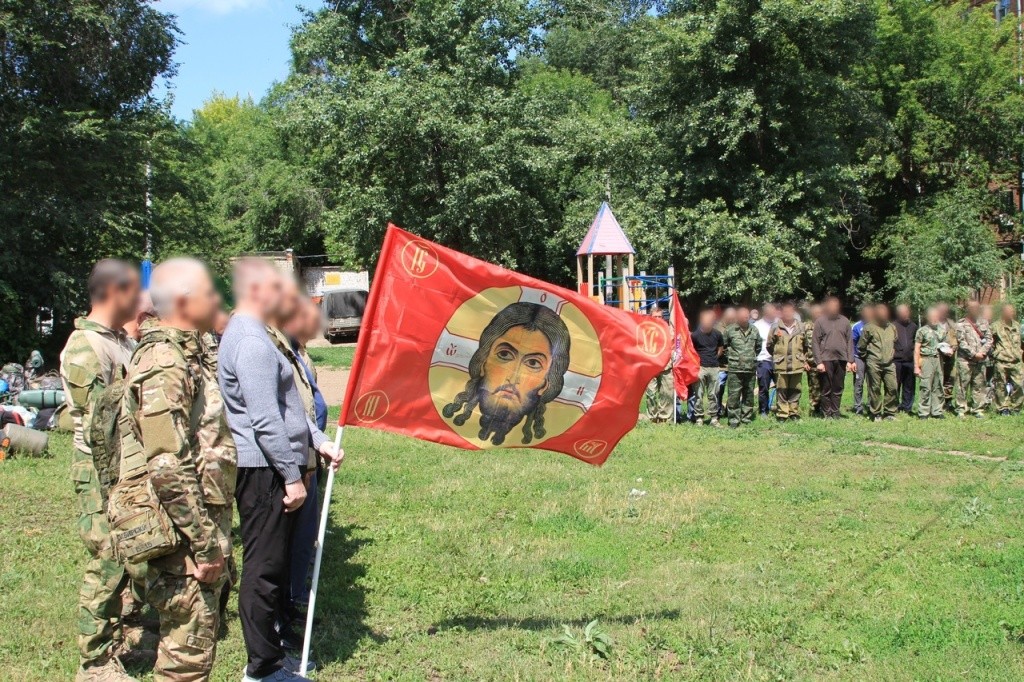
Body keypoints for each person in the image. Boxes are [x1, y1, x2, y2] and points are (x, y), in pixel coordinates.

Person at [218, 259, 342, 682]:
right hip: (264, 470)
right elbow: (266, 420)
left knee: (272, 566)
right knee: (264, 571)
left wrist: (318, 440)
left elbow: (290, 409)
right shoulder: (250, 341)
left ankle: (269, 658)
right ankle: (262, 668)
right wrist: (291, 476)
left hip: (274, 465)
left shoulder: (260, 336)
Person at [122, 258, 236, 682]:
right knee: (184, 658)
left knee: (195, 648)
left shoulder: (186, 355)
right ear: (186, 301)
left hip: (196, 529)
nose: (218, 301)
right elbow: (166, 465)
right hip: (182, 541)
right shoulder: (165, 362)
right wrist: (204, 546)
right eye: (210, 293)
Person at [60, 259, 148, 682]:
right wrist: (116, 486)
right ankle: (93, 663)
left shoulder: (118, 342)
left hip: (127, 465)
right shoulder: (84, 348)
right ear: (115, 292)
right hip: (101, 469)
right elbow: (100, 428)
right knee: (108, 557)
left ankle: (119, 635)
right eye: (134, 290)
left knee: (129, 552)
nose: (139, 299)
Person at [282, 297, 331, 618]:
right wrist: (304, 465)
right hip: (298, 460)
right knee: (293, 539)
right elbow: (289, 415)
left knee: (304, 533)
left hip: (310, 455)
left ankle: (295, 593)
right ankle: (289, 600)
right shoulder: (281, 353)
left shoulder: (298, 353)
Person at [813, 296, 856, 419]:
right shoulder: (820, 321)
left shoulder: (845, 321)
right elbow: (815, 342)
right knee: (826, 388)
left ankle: (835, 412)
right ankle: (827, 413)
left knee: (838, 387)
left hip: (841, 359)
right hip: (826, 359)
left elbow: (849, 342)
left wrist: (850, 360)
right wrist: (819, 362)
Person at [766, 302, 806, 421]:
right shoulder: (775, 327)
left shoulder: (801, 327)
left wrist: (799, 357)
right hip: (781, 364)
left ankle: (793, 413)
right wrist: (779, 355)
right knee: (781, 390)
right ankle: (782, 414)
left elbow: (806, 346)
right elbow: (770, 346)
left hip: (796, 364)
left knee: (795, 390)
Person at [721, 307, 761, 427]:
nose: (746, 317)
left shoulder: (754, 330)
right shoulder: (730, 330)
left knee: (749, 394)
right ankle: (733, 419)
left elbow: (758, 347)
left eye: (747, 315)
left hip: (750, 368)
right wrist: (733, 358)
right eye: (743, 315)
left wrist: (750, 357)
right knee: (734, 395)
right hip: (735, 368)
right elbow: (723, 347)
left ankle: (746, 417)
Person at [858, 303, 898, 421]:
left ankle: (889, 412)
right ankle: (875, 413)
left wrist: (891, 354)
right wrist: (869, 358)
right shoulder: (869, 327)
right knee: (875, 388)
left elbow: (894, 341)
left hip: (889, 363)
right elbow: (861, 346)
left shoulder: (892, 327)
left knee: (892, 387)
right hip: (874, 362)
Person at [954, 300, 993, 418]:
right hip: (965, 360)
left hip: (980, 360)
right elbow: (961, 342)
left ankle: (977, 408)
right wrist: (974, 354)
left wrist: (982, 352)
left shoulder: (984, 323)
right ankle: (961, 409)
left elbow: (989, 339)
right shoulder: (960, 324)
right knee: (962, 385)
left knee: (979, 385)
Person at [689, 309, 724, 426]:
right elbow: (691, 350)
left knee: (713, 394)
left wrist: (714, 357)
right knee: (698, 394)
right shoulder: (695, 335)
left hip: (714, 367)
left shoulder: (718, 334)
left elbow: (720, 349)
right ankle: (699, 417)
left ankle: (714, 417)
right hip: (700, 368)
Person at [990, 303, 1023, 415]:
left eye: (1012, 311)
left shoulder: (1018, 326)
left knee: (1019, 385)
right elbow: (989, 342)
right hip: (1001, 361)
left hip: (1016, 362)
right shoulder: (995, 326)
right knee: (1000, 386)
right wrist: (995, 353)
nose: (1011, 313)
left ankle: (1016, 408)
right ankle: (1003, 408)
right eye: (1009, 311)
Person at [914, 307, 946, 419]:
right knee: (925, 386)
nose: (934, 318)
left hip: (938, 359)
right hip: (926, 359)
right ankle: (923, 412)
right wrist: (916, 367)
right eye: (932, 316)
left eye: (936, 316)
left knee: (938, 386)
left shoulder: (942, 330)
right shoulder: (921, 331)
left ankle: (937, 411)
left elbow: (945, 345)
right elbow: (917, 349)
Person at [893, 304, 918, 414]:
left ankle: (907, 407)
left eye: (907, 312)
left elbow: (917, 343)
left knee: (909, 385)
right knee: (895, 385)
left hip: (910, 361)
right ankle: (894, 405)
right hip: (896, 361)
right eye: (903, 312)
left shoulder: (913, 326)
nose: (905, 314)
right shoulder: (893, 326)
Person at [753, 303, 777, 416]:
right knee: (764, 387)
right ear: (766, 313)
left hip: (778, 361)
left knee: (781, 387)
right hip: (763, 360)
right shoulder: (757, 326)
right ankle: (763, 411)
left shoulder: (778, 324)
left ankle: (782, 410)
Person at [851, 305, 874, 415]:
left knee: (872, 383)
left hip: (872, 359)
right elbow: (851, 344)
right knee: (858, 382)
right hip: (859, 358)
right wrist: (852, 361)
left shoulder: (875, 325)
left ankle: (871, 406)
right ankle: (858, 407)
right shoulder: (856, 326)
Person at [714, 307, 736, 419]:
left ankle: (730, 410)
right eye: (730, 317)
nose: (732, 319)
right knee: (719, 388)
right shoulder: (717, 327)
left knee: (733, 389)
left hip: (734, 364)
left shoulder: (736, 327)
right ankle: (717, 410)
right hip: (721, 364)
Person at [936, 302, 958, 410]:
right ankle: (938, 403)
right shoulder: (933, 324)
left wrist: (953, 348)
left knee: (950, 379)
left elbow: (957, 338)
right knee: (938, 379)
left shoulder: (952, 324)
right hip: (937, 357)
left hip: (950, 356)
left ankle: (948, 401)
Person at [803, 303, 823, 416]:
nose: (818, 315)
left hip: (826, 362)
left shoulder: (827, 325)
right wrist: (804, 361)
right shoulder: (806, 327)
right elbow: (802, 345)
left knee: (826, 386)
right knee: (814, 387)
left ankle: (826, 407)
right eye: (815, 313)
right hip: (811, 362)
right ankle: (815, 409)